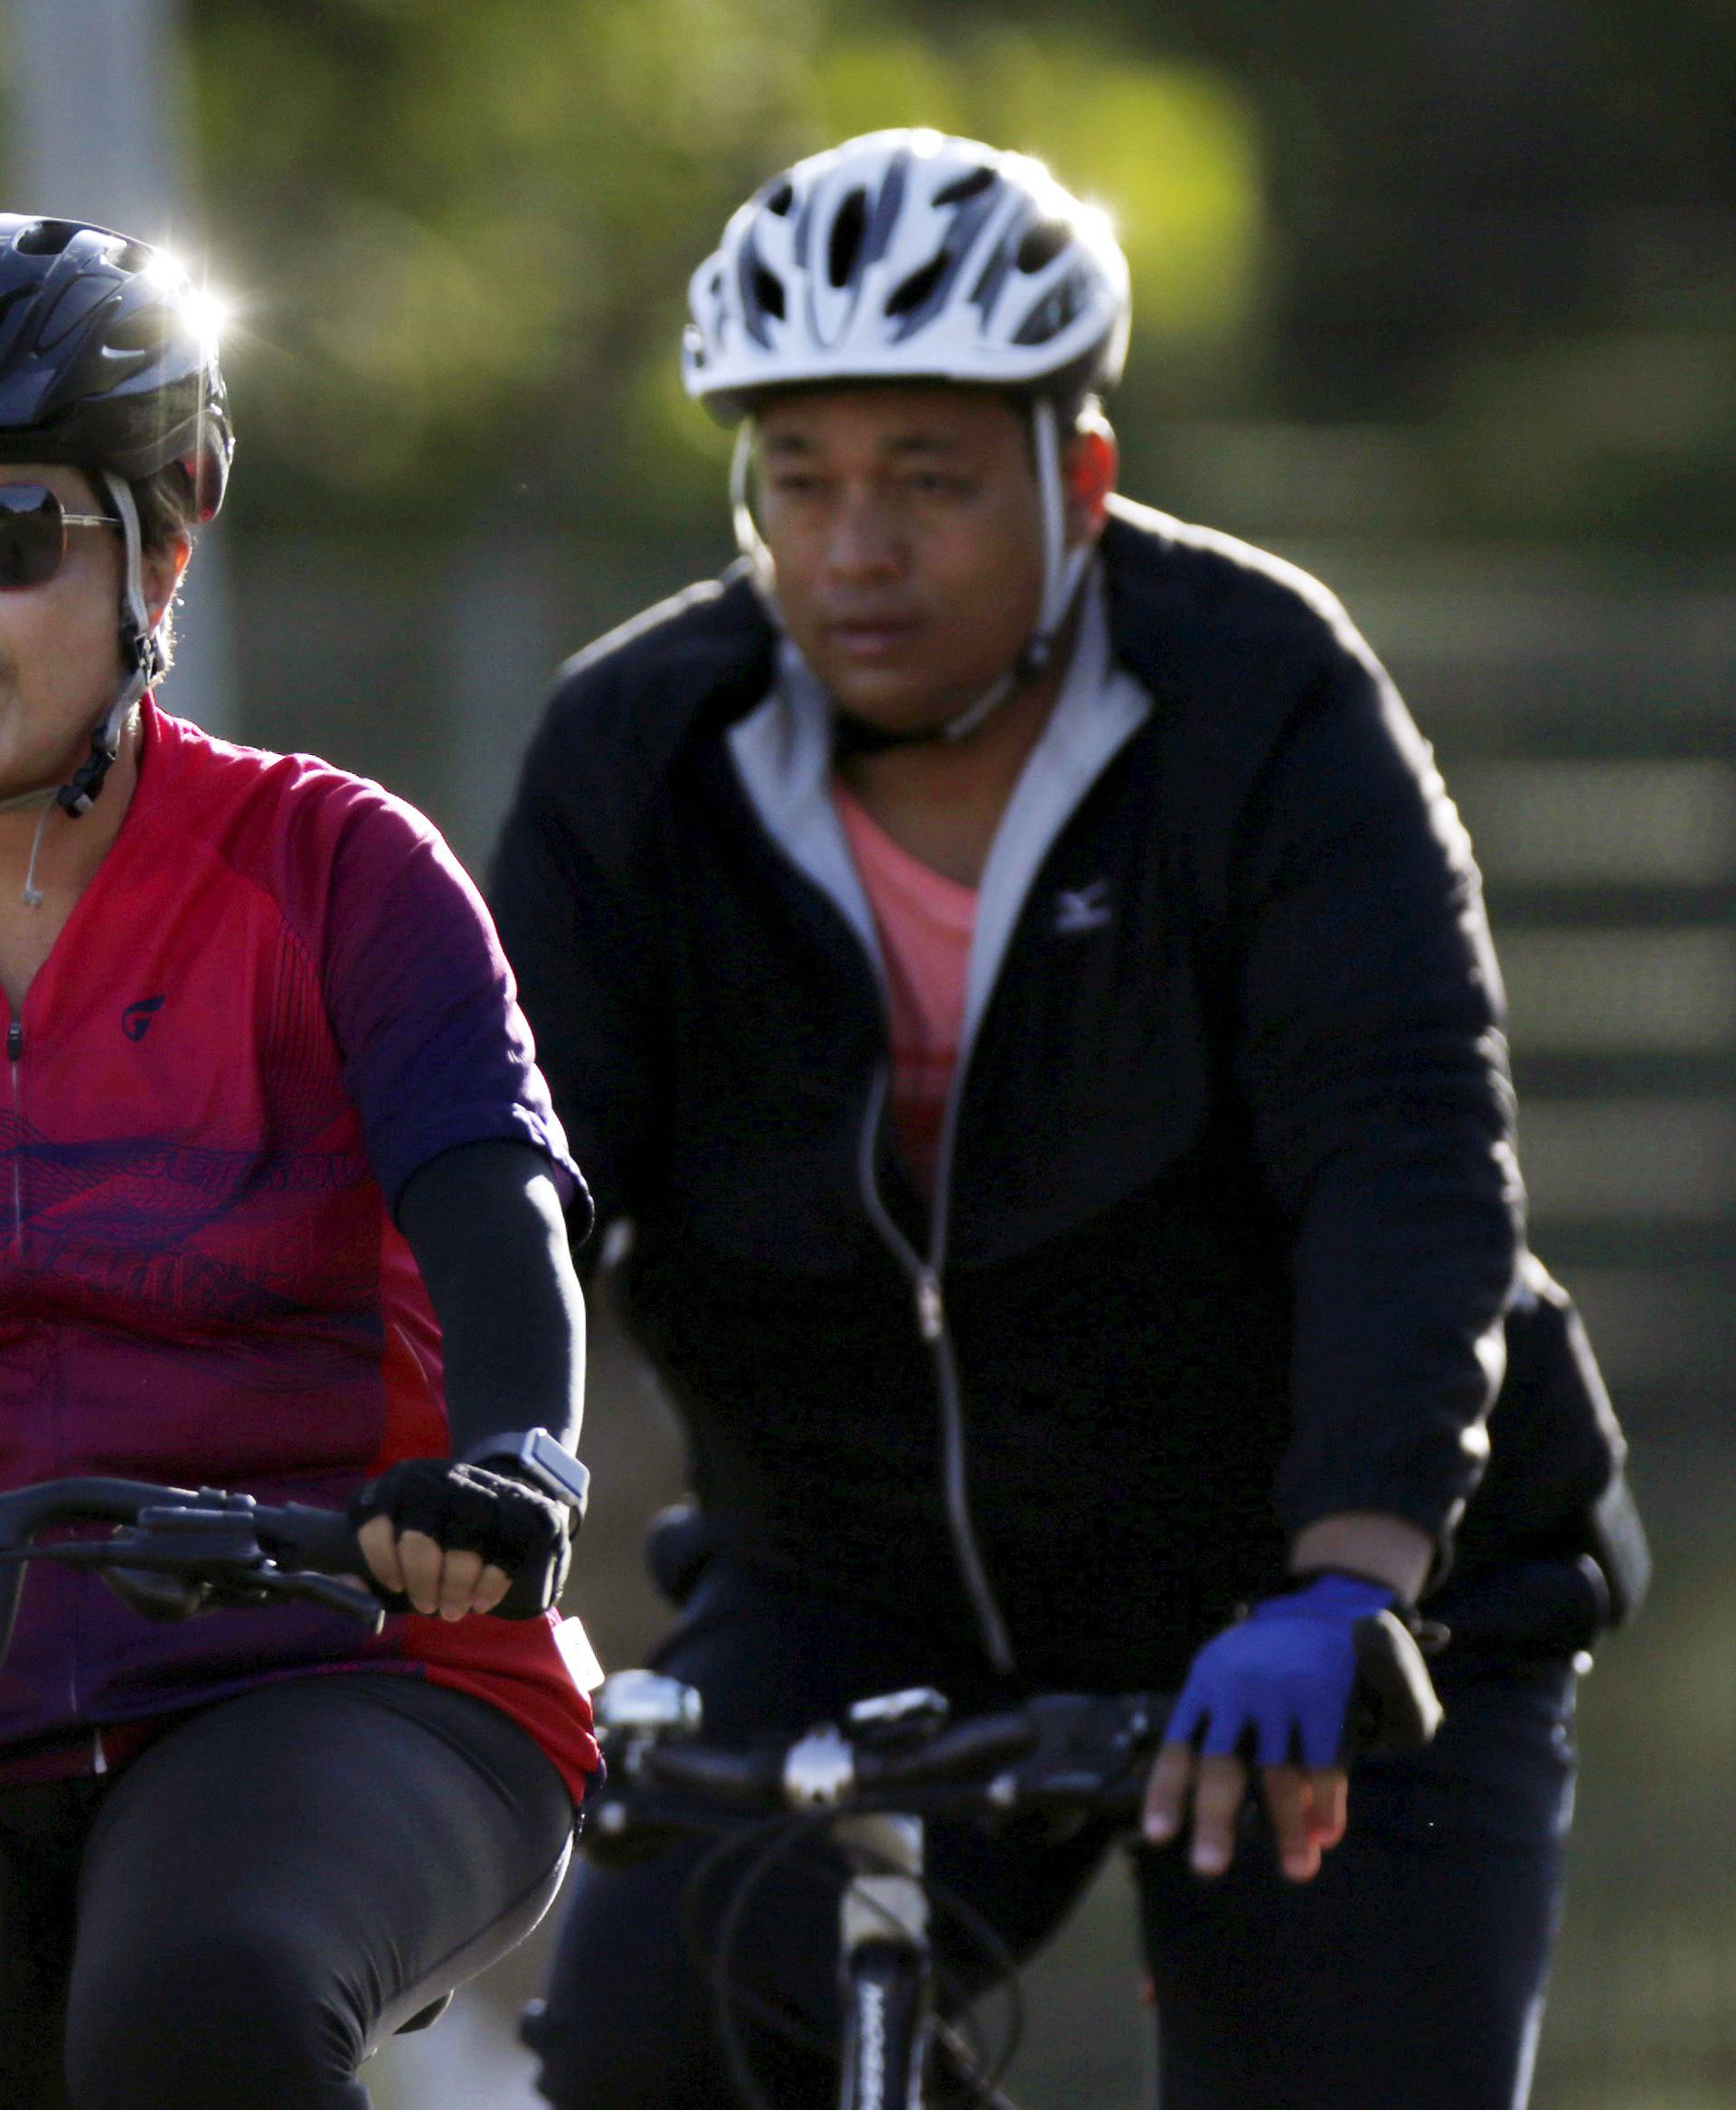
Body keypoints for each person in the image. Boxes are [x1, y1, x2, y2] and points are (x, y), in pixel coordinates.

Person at [492, 131, 1647, 2110]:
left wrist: (1352, 1573)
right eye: (800, 483)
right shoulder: (641, 751)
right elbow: (517, 1169)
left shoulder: (1261, 698)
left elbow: (1403, 1150)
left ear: (1078, 484)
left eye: (928, 482)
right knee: (646, 2049)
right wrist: (434, 1481)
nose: (855, 550)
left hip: (1323, 1586)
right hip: (859, 1573)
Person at [0, 214, 600, 2110]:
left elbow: (496, 1208)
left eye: (6, 537)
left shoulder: (335, 872)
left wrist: (510, 1462)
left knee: (201, 2008)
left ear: (163, 545)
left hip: (333, 1667)